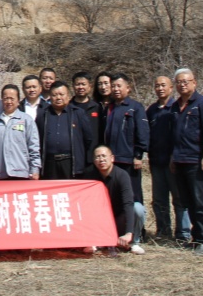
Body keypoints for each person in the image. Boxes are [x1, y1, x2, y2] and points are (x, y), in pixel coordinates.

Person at [170, 67, 203, 256]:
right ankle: (195, 237)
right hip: (179, 160)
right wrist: (172, 158)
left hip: (196, 160)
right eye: (179, 82)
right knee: (188, 201)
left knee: (201, 201)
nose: (182, 85)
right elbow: (173, 135)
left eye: (186, 81)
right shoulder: (175, 107)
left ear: (194, 82)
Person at [146, 75, 190, 244]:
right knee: (159, 199)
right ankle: (163, 231)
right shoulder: (151, 110)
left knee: (179, 199)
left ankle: (183, 233)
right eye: (157, 86)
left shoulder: (176, 108)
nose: (160, 88)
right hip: (156, 162)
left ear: (171, 88)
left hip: (174, 163)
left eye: (163, 85)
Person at [83, 146, 146, 256]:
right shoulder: (89, 175)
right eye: (97, 157)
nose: (101, 159)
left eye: (104, 156)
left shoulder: (122, 175)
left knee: (138, 208)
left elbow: (128, 203)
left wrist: (128, 232)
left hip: (119, 217)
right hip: (101, 219)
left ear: (112, 158)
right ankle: (97, 241)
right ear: (93, 160)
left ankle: (134, 242)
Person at [103, 74, 149, 210]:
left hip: (129, 160)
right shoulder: (109, 108)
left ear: (128, 88)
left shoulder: (135, 107)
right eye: (113, 86)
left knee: (132, 195)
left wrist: (138, 155)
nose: (116, 89)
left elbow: (143, 132)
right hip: (112, 160)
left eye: (119, 86)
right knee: (114, 195)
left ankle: (136, 222)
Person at [36, 81, 93, 179]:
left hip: (70, 161)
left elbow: (88, 138)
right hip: (50, 163)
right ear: (50, 97)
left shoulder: (78, 113)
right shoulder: (43, 114)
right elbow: (38, 138)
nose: (58, 98)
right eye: (54, 95)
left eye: (61, 94)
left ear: (68, 96)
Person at [0, 84, 40, 180]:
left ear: (18, 101)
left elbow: (33, 146)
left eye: (12, 99)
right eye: (6, 98)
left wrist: (35, 169)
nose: (9, 102)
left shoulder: (26, 120)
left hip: (21, 173)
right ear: (2, 100)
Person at [69, 71, 100, 160]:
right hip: (73, 155)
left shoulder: (96, 107)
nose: (80, 87)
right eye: (77, 84)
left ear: (90, 86)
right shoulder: (68, 107)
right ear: (73, 86)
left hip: (93, 155)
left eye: (83, 84)